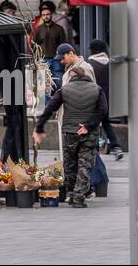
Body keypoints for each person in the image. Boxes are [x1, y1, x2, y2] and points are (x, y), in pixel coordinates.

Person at [32, 63, 106, 208]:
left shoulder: (64, 90)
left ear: (71, 76)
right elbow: (103, 110)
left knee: (70, 164)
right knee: (85, 165)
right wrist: (88, 126)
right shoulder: (97, 90)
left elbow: (50, 108)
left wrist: (39, 127)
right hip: (89, 133)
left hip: (69, 132)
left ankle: (72, 194)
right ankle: (79, 198)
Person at [84, 39, 123, 160]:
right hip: (108, 101)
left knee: (92, 124)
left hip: (94, 100)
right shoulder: (111, 64)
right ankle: (116, 146)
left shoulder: (89, 65)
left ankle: (96, 147)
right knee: (106, 123)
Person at [32, 2, 66, 87]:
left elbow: (63, 45)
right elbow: (33, 45)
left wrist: (63, 59)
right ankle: (47, 100)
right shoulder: (38, 30)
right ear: (41, 16)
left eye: (47, 14)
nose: (46, 16)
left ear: (51, 15)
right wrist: (35, 60)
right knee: (43, 85)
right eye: (43, 15)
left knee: (58, 82)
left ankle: (58, 99)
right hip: (42, 60)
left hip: (56, 59)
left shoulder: (59, 29)